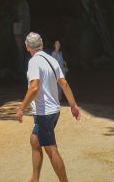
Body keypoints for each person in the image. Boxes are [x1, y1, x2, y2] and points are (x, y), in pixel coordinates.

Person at [15, 32, 81, 182]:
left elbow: (34, 87)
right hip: (54, 111)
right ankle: (34, 179)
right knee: (35, 140)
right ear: (42, 44)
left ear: (27, 47)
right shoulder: (52, 59)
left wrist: (21, 108)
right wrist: (73, 106)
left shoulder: (34, 62)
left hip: (44, 113)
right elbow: (64, 83)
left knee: (51, 149)